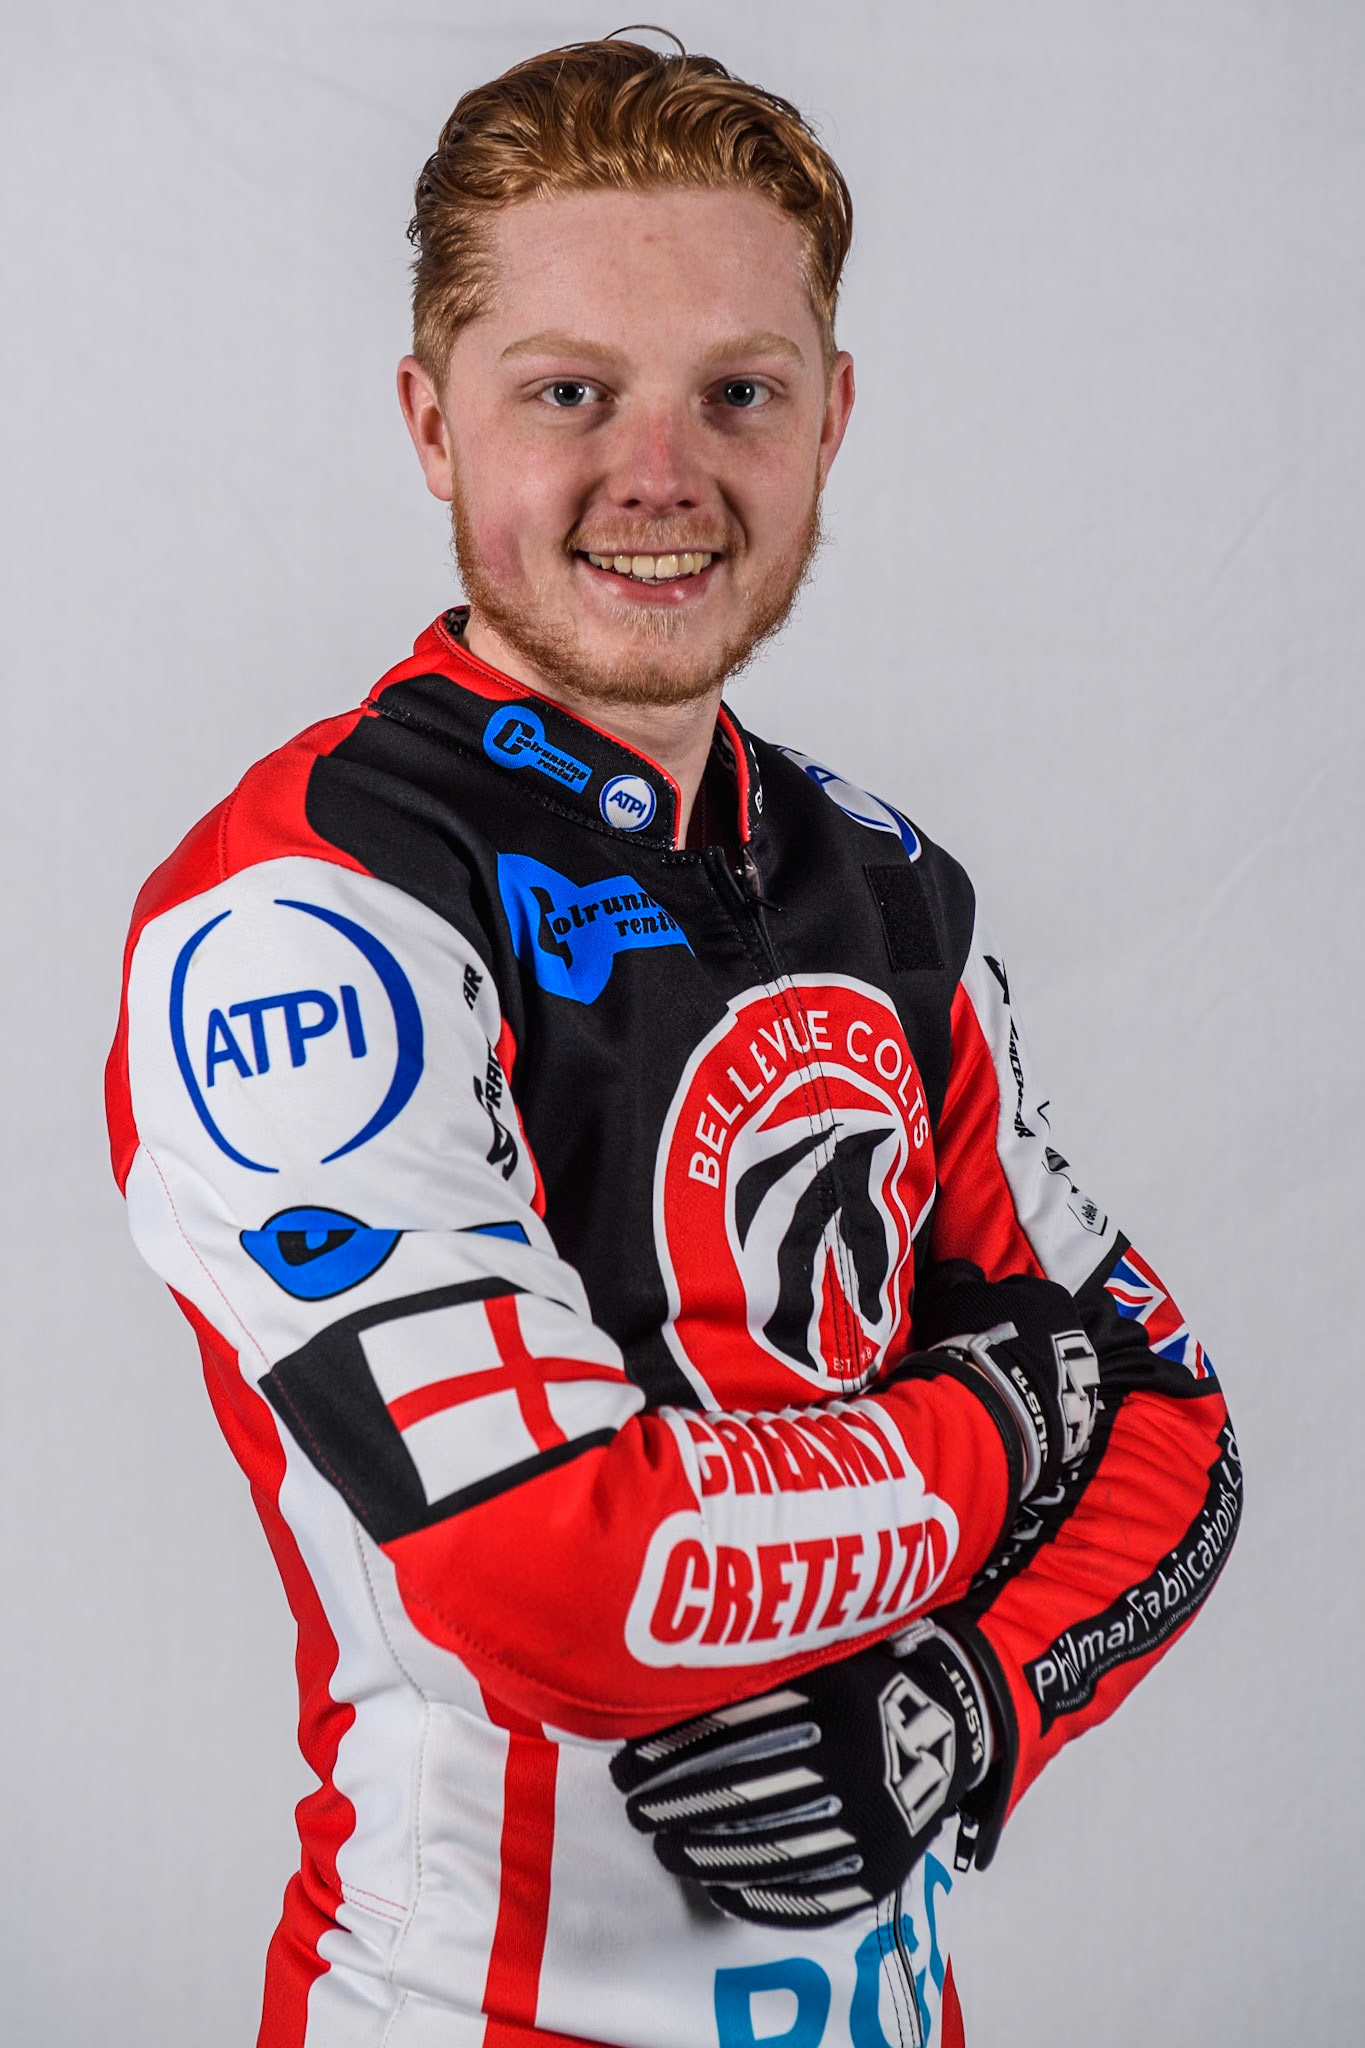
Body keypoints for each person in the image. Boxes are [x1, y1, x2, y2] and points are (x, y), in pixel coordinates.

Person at [105, 36, 1241, 2048]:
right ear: (430, 426)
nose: (659, 473)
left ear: (830, 422)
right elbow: (557, 1573)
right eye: (568, 392)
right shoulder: (305, 908)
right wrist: (1004, 1427)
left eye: (738, 390)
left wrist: (965, 1702)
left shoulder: (889, 895)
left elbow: (1173, 1430)